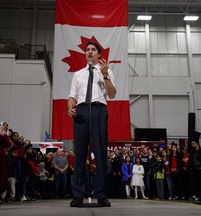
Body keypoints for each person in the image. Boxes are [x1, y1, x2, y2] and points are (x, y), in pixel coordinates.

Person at [68, 41, 116, 207]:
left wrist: (105, 75)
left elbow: (112, 94)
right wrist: (70, 109)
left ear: (99, 54)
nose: (89, 52)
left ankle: (101, 195)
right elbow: (72, 97)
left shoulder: (107, 71)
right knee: (80, 153)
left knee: (100, 153)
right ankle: (78, 195)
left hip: (99, 110)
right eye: (87, 50)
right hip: (81, 111)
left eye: (93, 50)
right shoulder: (78, 74)